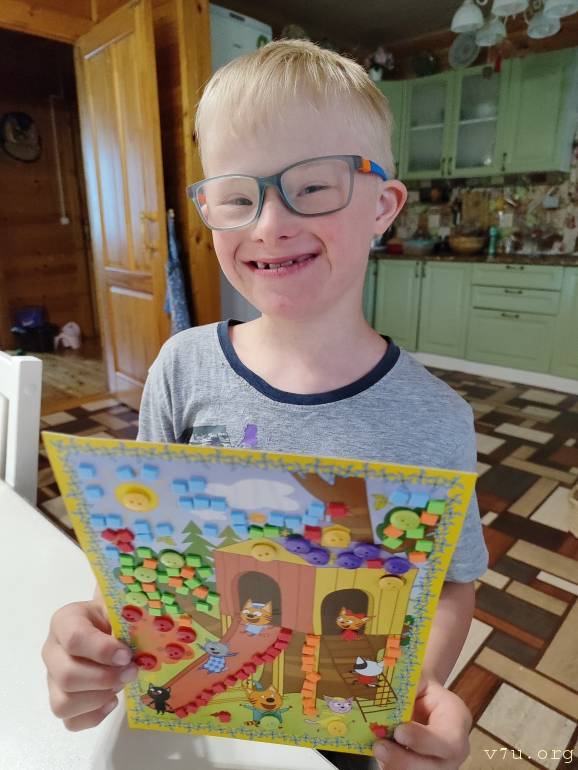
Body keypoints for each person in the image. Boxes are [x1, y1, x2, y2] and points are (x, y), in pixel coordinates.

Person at [42, 39, 488, 769]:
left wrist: (416, 693)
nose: (269, 224)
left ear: (383, 206)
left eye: (313, 187)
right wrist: (92, 635)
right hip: (197, 716)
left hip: (344, 728)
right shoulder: (181, 368)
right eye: (237, 198)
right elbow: (137, 554)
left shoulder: (437, 420)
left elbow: (451, 586)